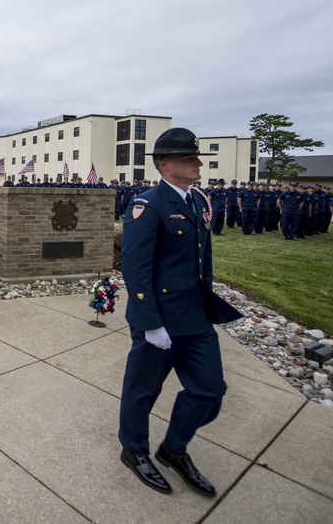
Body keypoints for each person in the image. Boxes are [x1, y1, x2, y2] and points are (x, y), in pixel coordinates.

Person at [119, 127, 242, 497]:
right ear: (165, 164)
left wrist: (208, 301)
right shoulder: (148, 204)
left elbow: (203, 260)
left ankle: (173, 448)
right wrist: (150, 323)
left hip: (195, 316)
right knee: (143, 391)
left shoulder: (195, 201)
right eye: (190, 159)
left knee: (210, 390)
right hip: (160, 318)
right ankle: (134, 450)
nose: (198, 164)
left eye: (196, 158)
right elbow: (134, 267)